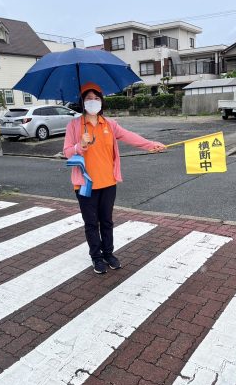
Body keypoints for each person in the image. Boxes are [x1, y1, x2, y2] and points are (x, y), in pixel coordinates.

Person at [64, 82, 166, 274]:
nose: (93, 102)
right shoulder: (74, 125)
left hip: (108, 182)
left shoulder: (109, 125)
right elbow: (67, 152)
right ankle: (96, 257)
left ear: (101, 101)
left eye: (96, 98)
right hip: (85, 185)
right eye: (88, 98)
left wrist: (150, 144)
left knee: (107, 221)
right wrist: (80, 145)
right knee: (91, 223)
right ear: (82, 102)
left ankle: (109, 253)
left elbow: (130, 136)